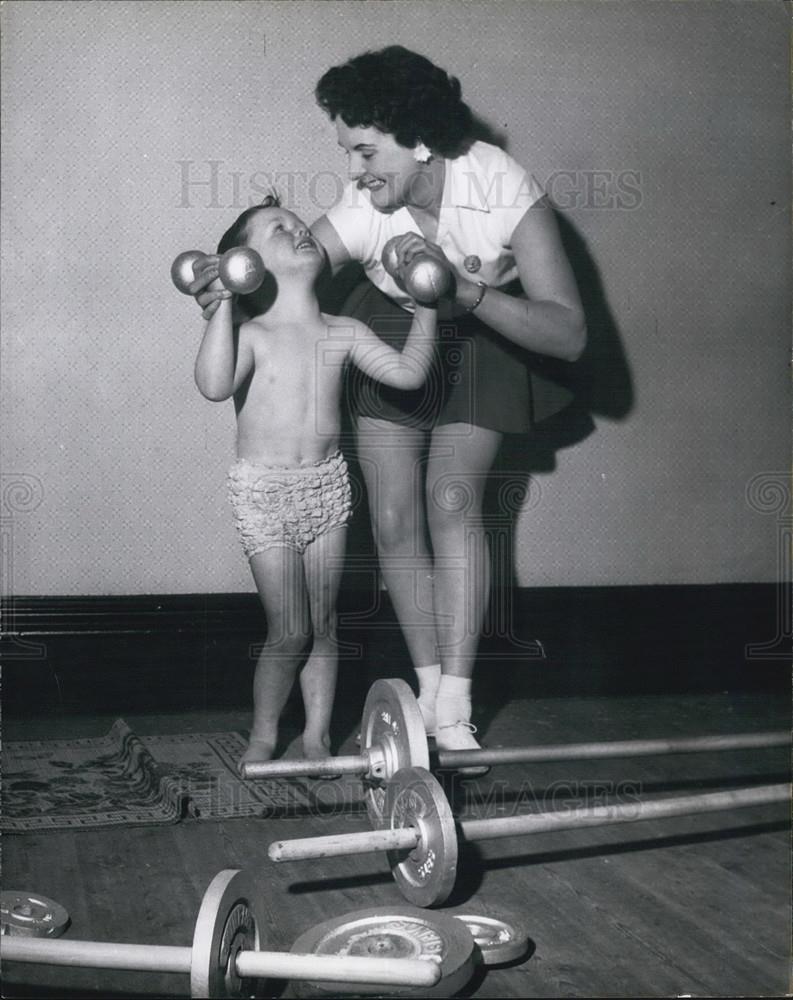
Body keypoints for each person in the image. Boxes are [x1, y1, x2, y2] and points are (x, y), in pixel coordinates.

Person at [196, 46, 586, 769]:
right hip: (394, 323)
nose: (353, 170)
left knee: (452, 503)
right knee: (393, 516)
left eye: (365, 151)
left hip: (486, 327)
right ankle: (429, 688)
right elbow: (273, 265)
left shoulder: (503, 187)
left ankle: (456, 709)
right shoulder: (365, 207)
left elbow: (567, 332)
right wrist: (215, 288)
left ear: (421, 142)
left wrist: (463, 294)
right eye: (347, 151)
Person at [193, 195, 438, 771]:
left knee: (325, 623)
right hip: (264, 495)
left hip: (326, 489)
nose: (299, 230)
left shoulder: (343, 331)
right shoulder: (252, 333)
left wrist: (428, 304)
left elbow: (409, 373)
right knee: (289, 628)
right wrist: (222, 309)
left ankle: (317, 737)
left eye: (300, 224)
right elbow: (212, 384)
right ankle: (262, 731)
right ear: (246, 264)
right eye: (279, 229)